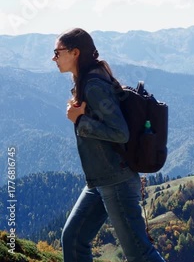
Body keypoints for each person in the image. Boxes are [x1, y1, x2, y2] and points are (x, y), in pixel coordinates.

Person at [53, 28, 165, 262]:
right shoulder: (88, 79)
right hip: (101, 180)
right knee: (73, 238)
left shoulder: (93, 85)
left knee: (140, 253)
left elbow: (119, 132)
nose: (54, 58)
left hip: (116, 180)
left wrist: (80, 120)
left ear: (75, 53)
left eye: (57, 52)